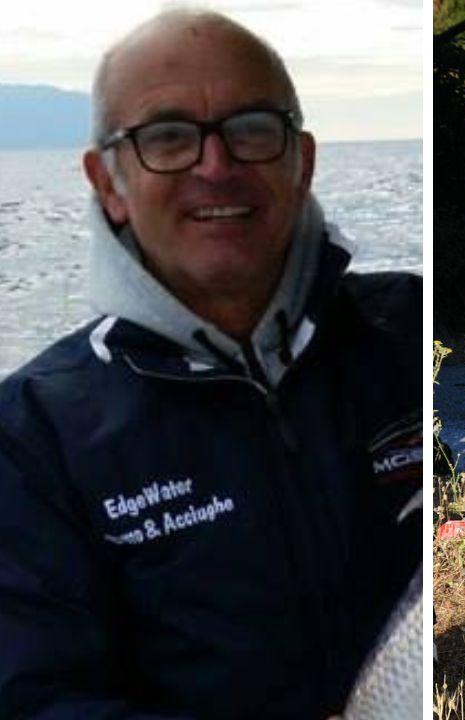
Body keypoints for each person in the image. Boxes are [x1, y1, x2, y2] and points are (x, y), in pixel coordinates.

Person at [0, 9, 422, 718]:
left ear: (303, 160)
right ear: (108, 181)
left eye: (251, 128)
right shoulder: (31, 438)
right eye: (167, 137)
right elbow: (36, 701)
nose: (216, 166)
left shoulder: (408, 331)